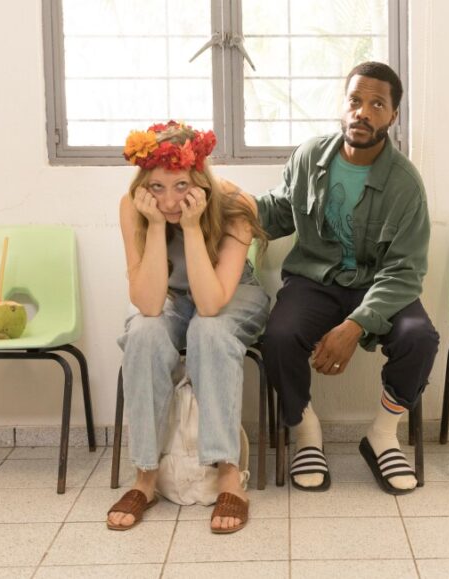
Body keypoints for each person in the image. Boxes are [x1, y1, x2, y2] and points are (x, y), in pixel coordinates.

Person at [255, 62, 440, 495]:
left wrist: (356, 326)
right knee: (278, 337)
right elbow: (280, 211)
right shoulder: (308, 156)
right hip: (314, 280)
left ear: (393, 116)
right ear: (344, 105)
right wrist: (221, 200)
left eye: (377, 104)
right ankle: (306, 433)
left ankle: (381, 435)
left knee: (420, 337)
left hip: (378, 284)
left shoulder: (406, 185)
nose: (363, 112)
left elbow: (405, 270)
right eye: (355, 101)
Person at [108, 121, 269, 534]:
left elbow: (213, 303)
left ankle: (229, 473)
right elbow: (146, 303)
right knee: (143, 333)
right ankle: (145, 476)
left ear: (198, 180)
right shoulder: (134, 206)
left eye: (180, 186)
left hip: (232, 296)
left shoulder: (234, 204)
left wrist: (193, 227)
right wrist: (158, 227)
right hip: (173, 296)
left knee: (209, 331)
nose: (169, 201)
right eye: (157, 188)